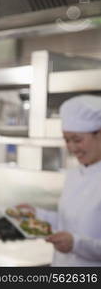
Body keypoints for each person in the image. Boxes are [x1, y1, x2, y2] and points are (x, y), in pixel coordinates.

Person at [18, 95, 101, 266]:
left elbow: (77, 237)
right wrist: (37, 215)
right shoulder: (74, 175)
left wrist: (76, 244)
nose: (71, 148)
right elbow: (69, 221)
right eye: (67, 140)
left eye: (77, 140)